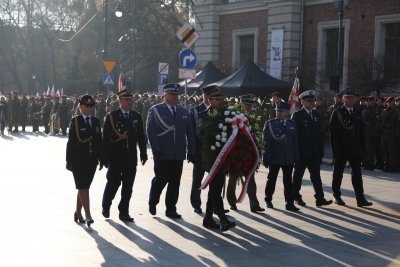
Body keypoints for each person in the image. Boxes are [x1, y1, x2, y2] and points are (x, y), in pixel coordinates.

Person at [146, 83, 195, 219]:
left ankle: (171, 209)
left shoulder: (184, 112)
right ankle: (153, 201)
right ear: (165, 95)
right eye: (172, 95)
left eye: (176, 95)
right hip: (162, 153)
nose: (175, 97)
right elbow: (151, 131)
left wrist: (191, 151)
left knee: (175, 182)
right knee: (161, 179)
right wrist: (155, 149)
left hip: (178, 153)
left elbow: (190, 133)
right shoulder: (156, 110)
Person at [101, 89, 148, 222]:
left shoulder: (136, 116)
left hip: (130, 157)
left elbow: (141, 137)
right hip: (115, 157)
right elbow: (106, 139)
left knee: (128, 187)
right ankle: (106, 204)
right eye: (126, 100)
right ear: (120, 101)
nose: (129, 102)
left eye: (130, 100)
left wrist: (143, 152)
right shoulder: (112, 116)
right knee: (113, 183)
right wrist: (104, 157)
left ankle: (124, 212)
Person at [198, 86, 236, 231]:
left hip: (223, 157)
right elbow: (201, 136)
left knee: (216, 188)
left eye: (221, 99)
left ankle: (208, 218)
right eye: (217, 99)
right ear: (209, 99)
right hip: (210, 158)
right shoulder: (203, 115)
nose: (220, 102)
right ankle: (222, 217)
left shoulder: (226, 115)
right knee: (215, 188)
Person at [329, 89, 373, 207]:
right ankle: (336, 196)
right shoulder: (337, 112)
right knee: (338, 174)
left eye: (352, 97)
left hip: (355, 149)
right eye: (347, 97)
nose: (350, 99)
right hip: (342, 149)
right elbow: (333, 134)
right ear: (343, 99)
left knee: (357, 175)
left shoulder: (358, 112)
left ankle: (360, 198)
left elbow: (361, 132)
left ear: (355, 99)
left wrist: (363, 149)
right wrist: (335, 151)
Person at [291, 90, 333, 207]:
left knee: (316, 177)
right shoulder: (297, 115)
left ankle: (320, 198)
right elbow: (295, 136)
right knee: (298, 176)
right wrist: (296, 152)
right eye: (309, 101)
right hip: (302, 152)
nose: (312, 103)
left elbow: (319, 135)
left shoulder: (317, 115)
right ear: (303, 102)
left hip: (314, 153)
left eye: (313, 101)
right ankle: (296, 197)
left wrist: (320, 151)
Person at [66, 95, 102, 227]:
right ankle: (88, 214)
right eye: (86, 106)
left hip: (92, 160)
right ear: (80, 106)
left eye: (91, 106)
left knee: (84, 186)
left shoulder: (96, 121)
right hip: (78, 160)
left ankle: (77, 212)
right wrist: (68, 160)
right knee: (83, 186)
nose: (89, 108)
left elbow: (99, 141)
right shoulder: (75, 121)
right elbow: (71, 142)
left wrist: (101, 158)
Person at [226, 94, 265, 213]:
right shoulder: (234, 115)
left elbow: (255, 135)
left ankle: (254, 205)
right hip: (236, 154)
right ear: (241, 104)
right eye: (246, 104)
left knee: (250, 179)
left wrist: (257, 152)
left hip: (248, 154)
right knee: (233, 179)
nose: (248, 107)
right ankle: (232, 202)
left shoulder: (252, 117)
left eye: (250, 105)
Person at [263, 101, 300, 212]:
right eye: (277, 111)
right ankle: (268, 199)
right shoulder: (270, 123)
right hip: (274, 157)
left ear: (288, 112)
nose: (278, 113)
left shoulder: (291, 123)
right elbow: (266, 143)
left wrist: (296, 157)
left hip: (288, 158)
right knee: (271, 179)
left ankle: (289, 203)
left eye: (281, 111)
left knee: (288, 182)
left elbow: (295, 142)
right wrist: (266, 158)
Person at [188, 86, 210, 214]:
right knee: (197, 179)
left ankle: (214, 204)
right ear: (204, 96)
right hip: (200, 151)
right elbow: (191, 133)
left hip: (214, 152)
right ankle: (196, 203)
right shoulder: (195, 111)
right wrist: (192, 151)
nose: (209, 98)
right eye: (207, 95)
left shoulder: (218, 110)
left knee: (215, 179)